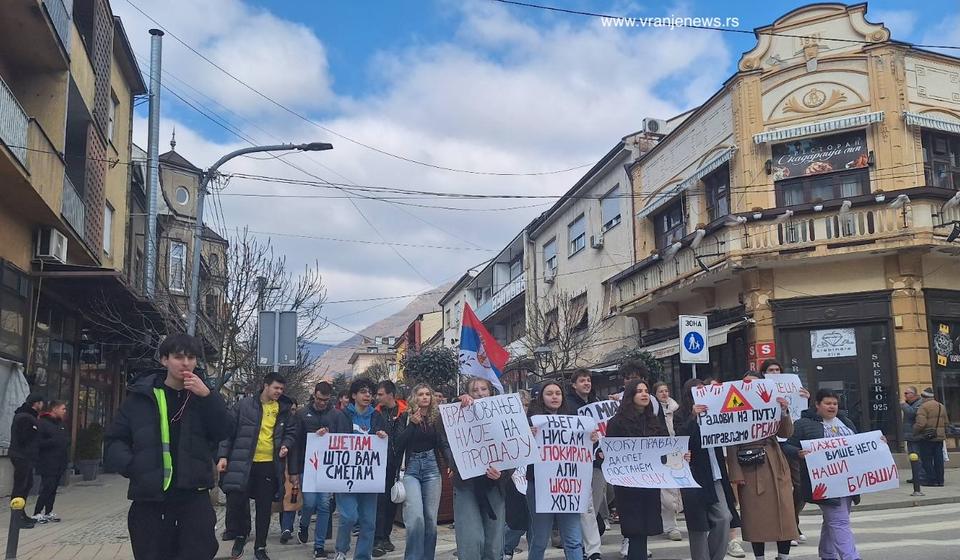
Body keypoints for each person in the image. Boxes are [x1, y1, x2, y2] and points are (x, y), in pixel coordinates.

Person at [104, 334, 231, 560]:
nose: (185, 363)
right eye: (178, 357)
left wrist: (208, 396)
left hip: (194, 497)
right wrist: (133, 466)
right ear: (164, 360)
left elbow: (226, 431)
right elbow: (115, 439)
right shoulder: (141, 397)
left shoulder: (203, 397)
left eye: (191, 357)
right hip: (151, 500)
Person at [219, 373, 298, 560]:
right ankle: (241, 535)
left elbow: (291, 432)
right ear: (265, 386)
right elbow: (228, 431)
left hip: (269, 465)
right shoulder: (244, 405)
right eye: (276, 388)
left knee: (264, 507)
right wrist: (223, 456)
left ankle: (260, 546)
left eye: (281, 389)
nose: (279, 392)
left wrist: (286, 443)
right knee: (238, 502)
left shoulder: (284, 409)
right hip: (243, 462)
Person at [783, 389, 860, 560]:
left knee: (833, 520)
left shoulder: (845, 421)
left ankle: (827, 554)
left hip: (847, 480)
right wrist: (799, 453)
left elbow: (859, 442)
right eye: (827, 403)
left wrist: (878, 442)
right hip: (823, 482)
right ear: (817, 405)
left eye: (835, 403)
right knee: (839, 521)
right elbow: (787, 446)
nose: (832, 407)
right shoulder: (803, 424)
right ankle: (851, 557)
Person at [727, 373, 797, 560]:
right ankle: (760, 556)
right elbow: (730, 439)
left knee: (785, 513)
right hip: (750, 465)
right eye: (748, 383)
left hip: (775, 461)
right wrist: (735, 473)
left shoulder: (773, 401)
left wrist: (783, 411)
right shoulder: (735, 406)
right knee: (756, 515)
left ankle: (783, 555)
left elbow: (786, 432)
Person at [526, 381, 597, 560]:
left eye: (558, 393)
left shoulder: (575, 421)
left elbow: (582, 449)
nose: (554, 396)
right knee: (540, 539)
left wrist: (591, 438)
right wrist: (528, 436)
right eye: (549, 393)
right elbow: (521, 452)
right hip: (540, 486)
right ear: (541, 397)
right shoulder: (531, 421)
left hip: (568, 487)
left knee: (573, 539)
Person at [442, 377, 511, 560]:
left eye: (484, 389)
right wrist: (456, 405)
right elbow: (443, 433)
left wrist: (502, 474)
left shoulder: (503, 415)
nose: (480, 393)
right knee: (471, 540)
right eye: (475, 390)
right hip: (466, 486)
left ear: (490, 392)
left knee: (494, 544)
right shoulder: (459, 412)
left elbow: (513, 451)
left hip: (495, 486)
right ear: (468, 394)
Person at [607, 379, 672, 560]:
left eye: (646, 391)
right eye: (639, 391)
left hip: (649, 484)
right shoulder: (617, 422)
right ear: (630, 396)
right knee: (634, 530)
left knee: (644, 530)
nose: (644, 394)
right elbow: (611, 453)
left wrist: (680, 457)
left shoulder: (654, 421)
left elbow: (666, 447)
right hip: (628, 486)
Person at [675, 379, 738, 560]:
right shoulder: (681, 414)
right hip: (694, 475)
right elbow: (681, 438)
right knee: (699, 526)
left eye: (705, 390)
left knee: (724, 517)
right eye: (698, 391)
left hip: (715, 472)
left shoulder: (714, 410)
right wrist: (693, 418)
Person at [297, 382, 352, 559]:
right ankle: (304, 524)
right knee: (309, 503)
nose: (322, 403)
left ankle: (319, 545)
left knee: (324, 505)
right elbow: (296, 441)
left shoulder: (336, 414)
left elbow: (342, 438)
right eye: (320, 399)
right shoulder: (302, 414)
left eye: (326, 400)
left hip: (327, 466)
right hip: (308, 465)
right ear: (314, 395)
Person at [336, 378, 389, 560]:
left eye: (370, 392)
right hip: (347, 476)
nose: (367, 395)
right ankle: (342, 550)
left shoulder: (377, 417)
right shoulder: (341, 416)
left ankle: (362, 556)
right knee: (349, 516)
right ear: (353, 395)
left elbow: (385, 447)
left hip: (368, 477)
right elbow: (332, 442)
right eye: (363, 392)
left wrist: (382, 437)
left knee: (368, 521)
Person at [759, 358, 808, 548]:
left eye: (777, 369)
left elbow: (805, 415)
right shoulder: (759, 391)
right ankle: (788, 529)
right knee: (780, 489)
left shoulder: (793, 387)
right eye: (770, 370)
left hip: (790, 441)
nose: (774, 373)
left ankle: (793, 522)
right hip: (771, 443)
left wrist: (806, 399)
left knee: (800, 487)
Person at [394, 383, 445, 560]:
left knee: (431, 519)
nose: (424, 397)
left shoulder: (436, 418)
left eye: (427, 394)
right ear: (414, 398)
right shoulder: (405, 418)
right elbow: (398, 444)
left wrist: (450, 464)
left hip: (432, 467)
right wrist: (412, 425)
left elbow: (442, 444)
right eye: (420, 394)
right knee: (416, 518)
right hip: (411, 469)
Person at [566, 369, 604, 560]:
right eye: (582, 380)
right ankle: (591, 549)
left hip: (596, 460)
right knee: (585, 506)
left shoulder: (597, 404)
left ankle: (588, 545)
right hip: (576, 461)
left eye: (588, 380)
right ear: (574, 384)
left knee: (592, 506)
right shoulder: (568, 405)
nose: (586, 383)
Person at [373, 380, 408, 556]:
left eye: (380, 394)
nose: (377, 397)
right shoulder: (376, 414)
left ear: (390, 395)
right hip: (380, 464)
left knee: (393, 501)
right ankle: (377, 538)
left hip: (398, 464)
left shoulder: (405, 413)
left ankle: (385, 536)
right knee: (380, 502)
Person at [503, 389, 532, 560]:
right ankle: (506, 548)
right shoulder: (504, 424)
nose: (523, 408)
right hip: (510, 478)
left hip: (530, 477)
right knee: (516, 520)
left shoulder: (533, 423)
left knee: (532, 520)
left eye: (526, 405)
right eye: (520, 405)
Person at [653, 381, 683, 542]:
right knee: (664, 493)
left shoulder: (676, 409)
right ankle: (670, 526)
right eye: (660, 392)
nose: (664, 394)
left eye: (666, 390)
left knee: (674, 490)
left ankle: (672, 524)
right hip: (659, 452)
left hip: (676, 452)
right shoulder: (652, 411)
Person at [9, 393, 45, 528]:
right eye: (41, 402)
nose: (43, 405)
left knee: (28, 484)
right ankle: (16, 517)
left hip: (25, 456)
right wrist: (35, 432)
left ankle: (21, 514)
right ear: (36, 403)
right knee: (21, 486)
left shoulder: (29, 416)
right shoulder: (25, 418)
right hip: (22, 456)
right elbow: (24, 438)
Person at [34, 400, 69, 523]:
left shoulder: (61, 424)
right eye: (63, 409)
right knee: (47, 487)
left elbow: (64, 441)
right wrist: (54, 441)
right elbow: (38, 443)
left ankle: (48, 512)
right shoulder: (43, 423)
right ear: (54, 409)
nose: (65, 411)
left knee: (53, 488)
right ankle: (37, 512)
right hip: (47, 462)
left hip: (59, 461)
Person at [913, 387, 949, 487]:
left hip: (927, 437)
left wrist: (914, 431)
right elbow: (946, 422)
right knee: (939, 459)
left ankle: (931, 480)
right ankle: (940, 480)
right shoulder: (941, 406)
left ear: (923, 397)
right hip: (939, 437)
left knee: (926, 459)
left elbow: (921, 423)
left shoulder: (923, 407)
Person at [278, 401, 302, 544]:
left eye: (294, 409)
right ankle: (285, 527)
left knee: (292, 496)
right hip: (281, 462)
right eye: (290, 409)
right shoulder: (281, 422)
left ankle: (287, 527)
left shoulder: (300, 422)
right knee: (284, 496)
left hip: (295, 463)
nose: (292, 412)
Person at [900, 386, 926, 484]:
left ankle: (920, 476)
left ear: (913, 394)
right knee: (912, 456)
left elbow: (912, 413)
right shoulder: (910, 403)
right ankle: (916, 475)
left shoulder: (919, 403)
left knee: (917, 456)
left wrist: (904, 405)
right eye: (905, 393)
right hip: (910, 435)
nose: (905, 395)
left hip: (916, 435)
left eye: (907, 393)